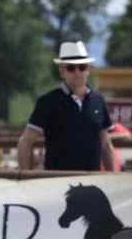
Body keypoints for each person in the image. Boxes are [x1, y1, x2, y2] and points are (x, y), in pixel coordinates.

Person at [17, 42, 115, 171]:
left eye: (82, 67)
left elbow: (106, 145)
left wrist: (112, 177)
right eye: (71, 68)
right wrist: (25, 177)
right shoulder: (47, 101)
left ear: (88, 70)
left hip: (93, 182)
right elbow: (26, 141)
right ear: (62, 71)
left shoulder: (99, 101)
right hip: (57, 182)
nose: (77, 72)